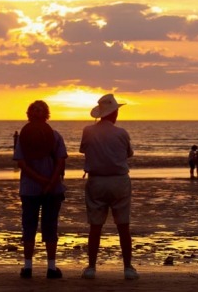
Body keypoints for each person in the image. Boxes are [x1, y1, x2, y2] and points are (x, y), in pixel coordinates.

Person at [79, 93, 139, 280]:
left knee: (95, 226)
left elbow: (83, 149)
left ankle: (91, 267)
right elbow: (128, 154)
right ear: (113, 114)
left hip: (97, 181)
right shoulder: (121, 133)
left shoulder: (88, 131)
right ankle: (128, 267)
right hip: (119, 180)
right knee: (123, 226)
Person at [13, 100, 67, 279]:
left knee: (29, 226)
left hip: (30, 188)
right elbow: (60, 162)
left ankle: (28, 267)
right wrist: (50, 182)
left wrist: (41, 181)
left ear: (29, 115)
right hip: (51, 189)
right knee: (50, 226)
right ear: (47, 115)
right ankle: (51, 268)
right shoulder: (55, 135)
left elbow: (21, 163)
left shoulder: (24, 136)